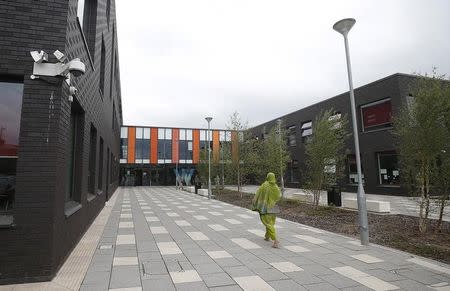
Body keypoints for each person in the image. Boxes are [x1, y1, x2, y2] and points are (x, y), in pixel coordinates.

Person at [252, 172, 281, 248]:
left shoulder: (264, 185)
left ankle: (275, 241)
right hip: (274, 207)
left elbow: (257, 194)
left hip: (266, 208)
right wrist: (273, 200)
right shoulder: (276, 186)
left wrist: (255, 202)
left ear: (267, 177)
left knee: (268, 223)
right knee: (271, 222)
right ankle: (267, 236)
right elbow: (279, 196)